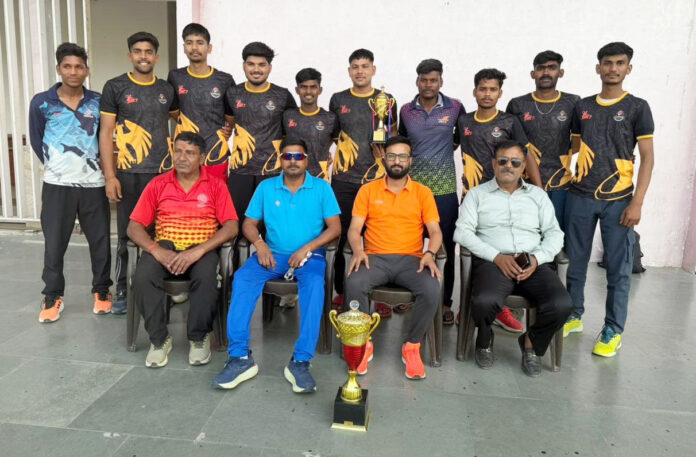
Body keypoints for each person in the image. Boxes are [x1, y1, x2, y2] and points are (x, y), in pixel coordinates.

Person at [212, 139, 341, 393]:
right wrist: (259, 244)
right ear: (280, 160)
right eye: (287, 156)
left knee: (315, 285)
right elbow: (249, 224)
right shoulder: (266, 187)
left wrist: (307, 248)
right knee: (242, 279)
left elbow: (335, 228)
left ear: (306, 160)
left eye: (298, 156)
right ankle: (239, 357)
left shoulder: (322, 188)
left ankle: (301, 361)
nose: (292, 161)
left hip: (309, 257)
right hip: (271, 255)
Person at [563, 42, 654, 357]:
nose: (613, 68)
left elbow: (648, 157)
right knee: (574, 262)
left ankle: (613, 329)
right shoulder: (583, 106)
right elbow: (573, 148)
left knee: (618, 268)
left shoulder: (638, 107)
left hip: (619, 199)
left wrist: (637, 202)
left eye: (619, 63)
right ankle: (573, 315)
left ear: (629, 68)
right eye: (607, 63)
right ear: (598, 67)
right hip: (580, 195)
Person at [453, 140, 571, 376]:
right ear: (494, 163)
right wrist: (497, 257)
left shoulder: (538, 196)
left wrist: (537, 259)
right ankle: (484, 340)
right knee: (484, 301)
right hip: (493, 263)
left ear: (523, 166)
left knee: (562, 304)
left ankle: (531, 344)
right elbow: (462, 232)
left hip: (532, 263)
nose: (509, 166)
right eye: (503, 161)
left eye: (515, 162)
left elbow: (555, 234)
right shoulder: (477, 195)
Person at [127, 132, 238, 368]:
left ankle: (198, 338)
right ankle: (159, 340)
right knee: (142, 277)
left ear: (202, 158)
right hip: (165, 247)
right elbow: (133, 227)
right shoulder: (158, 184)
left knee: (207, 278)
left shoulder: (215, 185)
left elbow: (231, 226)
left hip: (201, 248)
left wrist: (200, 250)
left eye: (189, 153)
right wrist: (155, 250)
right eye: (178, 151)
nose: (182, 157)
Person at [344, 136, 442, 380]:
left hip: (412, 260)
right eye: (392, 156)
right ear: (384, 158)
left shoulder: (422, 192)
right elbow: (354, 229)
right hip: (375, 258)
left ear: (410, 160)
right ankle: (363, 343)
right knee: (354, 282)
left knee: (431, 287)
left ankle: (412, 346)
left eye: (402, 156)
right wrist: (358, 250)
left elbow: (435, 231)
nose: (397, 161)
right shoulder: (368, 190)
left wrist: (430, 253)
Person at [29, 42, 112, 322]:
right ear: (59, 69)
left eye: (79, 67)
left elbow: (105, 138)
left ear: (86, 70)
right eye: (67, 66)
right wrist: (58, 166)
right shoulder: (41, 102)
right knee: (54, 244)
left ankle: (102, 291)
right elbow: (37, 140)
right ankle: (52, 296)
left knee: (100, 241)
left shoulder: (98, 101)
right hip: (57, 186)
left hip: (93, 184)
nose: (73, 72)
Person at [456, 68, 541, 332]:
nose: (487, 94)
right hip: (472, 198)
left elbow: (525, 156)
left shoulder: (509, 122)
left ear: (500, 93)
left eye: (493, 89)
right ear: (474, 91)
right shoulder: (463, 121)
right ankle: (468, 306)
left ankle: (500, 307)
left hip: (503, 197)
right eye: (483, 89)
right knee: (471, 250)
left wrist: (538, 190)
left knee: (501, 248)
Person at [99, 31, 175, 314]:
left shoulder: (166, 89)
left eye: (149, 52)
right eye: (138, 51)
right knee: (127, 235)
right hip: (129, 174)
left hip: (163, 174)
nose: (144, 56)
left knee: (163, 233)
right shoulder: (115, 87)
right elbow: (105, 133)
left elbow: (183, 121)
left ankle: (163, 286)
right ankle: (123, 289)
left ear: (156, 56)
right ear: (130, 55)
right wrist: (110, 176)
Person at [329, 48, 398, 316]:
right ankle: (342, 290)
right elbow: (333, 135)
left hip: (377, 179)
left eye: (365, 66)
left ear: (373, 70)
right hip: (344, 179)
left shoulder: (386, 100)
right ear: (349, 71)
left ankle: (379, 294)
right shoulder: (338, 99)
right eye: (355, 66)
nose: (360, 71)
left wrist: (386, 152)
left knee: (376, 236)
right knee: (341, 233)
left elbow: (392, 134)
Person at [398, 58, 465, 325]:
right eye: (424, 80)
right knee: (411, 245)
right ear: (417, 81)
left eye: (433, 80)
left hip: (444, 190)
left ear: (440, 81)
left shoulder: (455, 107)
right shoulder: (406, 110)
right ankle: (412, 295)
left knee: (445, 246)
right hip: (412, 191)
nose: (428, 85)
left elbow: (459, 139)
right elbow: (402, 144)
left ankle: (445, 302)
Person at [507, 51, 580, 229]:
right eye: (540, 68)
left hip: (561, 184)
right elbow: (508, 147)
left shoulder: (573, 102)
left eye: (552, 68)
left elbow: (581, 141)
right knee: (525, 236)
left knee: (557, 236)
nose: (546, 72)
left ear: (560, 72)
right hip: (524, 186)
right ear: (533, 73)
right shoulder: (517, 104)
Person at [224, 41, 297, 220]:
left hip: (272, 172)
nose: (256, 69)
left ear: (269, 67)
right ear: (244, 65)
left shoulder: (282, 95)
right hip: (240, 171)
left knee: (272, 223)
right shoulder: (232, 93)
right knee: (236, 223)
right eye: (251, 64)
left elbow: (291, 133)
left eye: (262, 65)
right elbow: (229, 123)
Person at [168, 22, 235, 180]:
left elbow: (232, 114)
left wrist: (229, 128)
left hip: (215, 153)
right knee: (185, 195)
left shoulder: (224, 79)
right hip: (185, 155)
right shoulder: (175, 77)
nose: (194, 48)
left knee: (215, 195)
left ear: (209, 48)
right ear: (184, 47)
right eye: (189, 43)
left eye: (200, 43)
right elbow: (174, 112)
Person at [283, 68, 339, 181]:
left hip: (320, 179)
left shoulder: (330, 118)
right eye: (303, 87)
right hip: (291, 179)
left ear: (320, 90)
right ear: (297, 90)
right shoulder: (287, 116)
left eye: (313, 87)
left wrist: (324, 153)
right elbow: (281, 145)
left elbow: (341, 145)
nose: (308, 92)